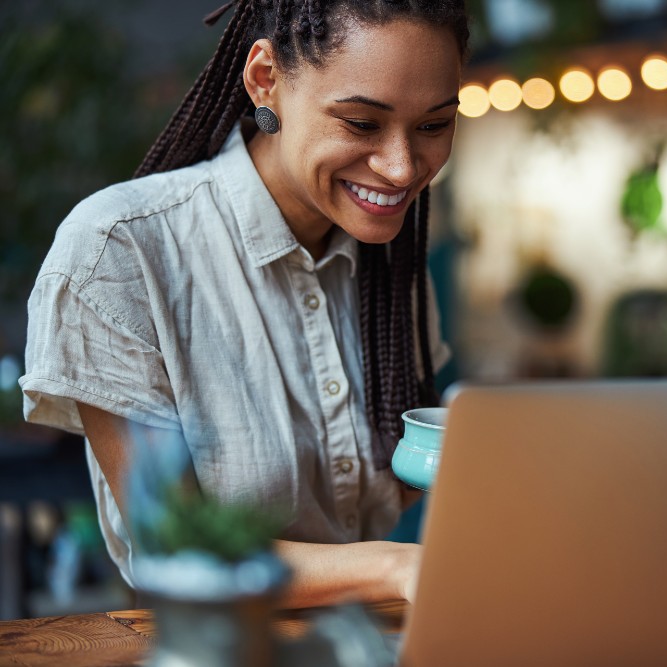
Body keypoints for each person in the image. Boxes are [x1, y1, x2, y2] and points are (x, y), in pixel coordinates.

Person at [19, 0, 469, 608]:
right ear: (265, 79)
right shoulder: (120, 250)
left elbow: (394, 478)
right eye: (361, 123)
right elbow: (174, 546)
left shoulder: (395, 266)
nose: (401, 167)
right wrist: (394, 568)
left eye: (434, 126)